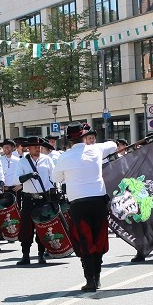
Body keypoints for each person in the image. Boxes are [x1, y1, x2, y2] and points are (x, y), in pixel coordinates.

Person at [52, 123, 119, 292]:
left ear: (69, 141)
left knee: (84, 240)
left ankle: (90, 279)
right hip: (98, 201)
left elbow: (56, 177)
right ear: (84, 136)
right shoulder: (96, 149)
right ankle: (96, 277)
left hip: (79, 204)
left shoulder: (65, 157)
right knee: (99, 238)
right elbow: (113, 145)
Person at [15, 136, 53, 266]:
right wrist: (29, 175)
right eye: (35, 147)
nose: (38, 149)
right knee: (26, 228)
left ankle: (41, 254)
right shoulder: (22, 162)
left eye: (39, 147)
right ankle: (25, 255)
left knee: (42, 227)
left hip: (43, 198)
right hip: (28, 198)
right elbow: (17, 179)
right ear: (29, 148)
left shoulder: (47, 160)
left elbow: (53, 178)